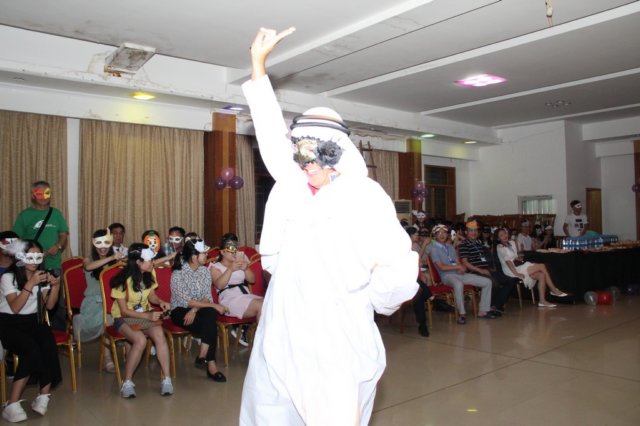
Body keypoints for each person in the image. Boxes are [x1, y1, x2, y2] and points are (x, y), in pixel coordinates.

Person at [239, 27, 418, 425]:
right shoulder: (292, 186)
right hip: (282, 322)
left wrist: (364, 300)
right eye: (301, 156)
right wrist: (258, 67)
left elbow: (397, 267)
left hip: (336, 330)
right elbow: (270, 135)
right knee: (269, 410)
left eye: (316, 157)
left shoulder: (364, 196)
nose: (307, 166)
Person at [0, 240, 62, 423]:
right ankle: (11, 403)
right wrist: (31, 283)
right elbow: (15, 307)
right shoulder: (8, 277)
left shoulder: (41, 276)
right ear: (20, 257)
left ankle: (43, 396)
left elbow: (48, 306)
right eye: (29, 256)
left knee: (48, 342)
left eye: (38, 257)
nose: (34, 261)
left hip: (32, 321)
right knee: (31, 349)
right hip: (8, 322)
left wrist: (56, 286)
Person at [110, 243, 173, 398]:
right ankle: (127, 382)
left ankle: (167, 379)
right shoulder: (121, 280)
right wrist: (147, 316)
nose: (153, 263)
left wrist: (160, 302)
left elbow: (151, 296)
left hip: (144, 313)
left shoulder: (150, 273)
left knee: (159, 335)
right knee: (140, 340)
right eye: (150, 260)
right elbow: (124, 311)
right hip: (123, 318)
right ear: (138, 262)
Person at [170, 238, 228, 382]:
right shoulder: (178, 273)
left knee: (210, 315)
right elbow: (187, 301)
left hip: (197, 308)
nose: (207, 255)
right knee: (210, 322)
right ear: (194, 257)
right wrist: (213, 306)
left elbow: (207, 297)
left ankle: (203, 355)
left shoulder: (205, 271)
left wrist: (194, 310)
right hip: (180, 310)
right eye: (204, 253)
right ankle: (211, 365)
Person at [75, 228, 125, 372]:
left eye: (106, 243)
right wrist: (111, 258)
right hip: (94, 303)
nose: (103, 247)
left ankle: (130, 353)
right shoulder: (88, 259)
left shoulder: (116, 260)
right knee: (108, 319)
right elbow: (88, 267)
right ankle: (108, 358)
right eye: (99, 243)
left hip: (113, 300)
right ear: (94, 244)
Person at [430, 224, 495, 324]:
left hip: (459, 274)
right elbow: (441, 267)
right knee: (458, 284)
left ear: (447, 234)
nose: (442, 235)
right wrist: (457, 267)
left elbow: (457, 262)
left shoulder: (450, 247)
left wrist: (462, 268)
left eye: (444, 233)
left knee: (487, 282)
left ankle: (483, 311)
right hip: (447, 276)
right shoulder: (434, 249)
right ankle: (462, 314)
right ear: (435, 235)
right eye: (439, 233)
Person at [209, 233, 262, 346]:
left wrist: (246, 268)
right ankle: (261, 343)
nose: (234, 252)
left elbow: (252, 280)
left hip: (245, 295)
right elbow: (219, 285)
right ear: (222, 252)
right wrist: (230, 269)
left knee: (268, 303)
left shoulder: (241, 261)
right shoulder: (215, 267)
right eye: (230, 249)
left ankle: (268, 339)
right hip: (229, 299)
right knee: (261, 305)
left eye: (236, 249)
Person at [495, 227, 568, 308]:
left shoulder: (511, 243)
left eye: (505, 233)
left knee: (541, 275)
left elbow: (518, 252)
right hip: (511, 270)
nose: (504, 236)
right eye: (501, 235)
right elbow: (508, 262)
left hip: (519, 266)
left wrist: (518, 250)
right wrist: (516, 273)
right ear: (498, 238)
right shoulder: (500, 247)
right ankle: (553, 289)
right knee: (542, 266)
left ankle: (542, 301)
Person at [458, 220, 516, 315]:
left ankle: (495, 304)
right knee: (494, 282)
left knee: (510, 280)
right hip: (474, 271)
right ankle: (488, 307)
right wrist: (480, 270)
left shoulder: (479, 242)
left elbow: (485, 257)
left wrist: (490, 268)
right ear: (466, 232)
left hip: (486, 269)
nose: (474, 233)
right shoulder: (464, 244)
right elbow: (465, 263)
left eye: (475, 230)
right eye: (471, 231)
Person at [12, 181, 68, 274]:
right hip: (31, 265)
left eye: (46, 193)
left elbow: (63, 235)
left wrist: (58, 246)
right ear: (33, 196)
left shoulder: (56, 213)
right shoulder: (25, 215)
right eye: (39, 194)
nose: (43, 197)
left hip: (53, 264)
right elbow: (15, 239)